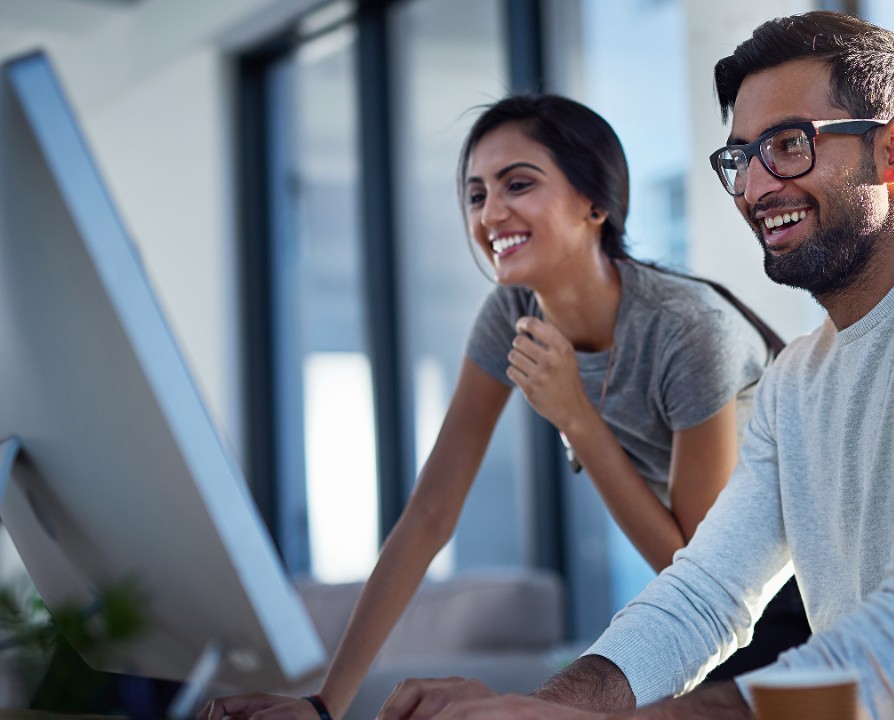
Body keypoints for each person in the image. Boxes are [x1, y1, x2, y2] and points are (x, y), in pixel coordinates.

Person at [371, 11, 894, 720]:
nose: (758, 184)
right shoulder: (798, 379)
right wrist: (536, 708)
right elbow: (704, 597)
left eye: (788, 147)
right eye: (741, 157)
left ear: (893, 150)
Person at [202, 94, 811, 720]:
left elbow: (696, 571)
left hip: (800, 593)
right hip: (702, 615)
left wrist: (576, 417)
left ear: (594, 204)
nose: (491, 213)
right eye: (475, 195)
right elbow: (432, 512)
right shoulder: (510, 314)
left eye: (517, 184)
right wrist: (326, 703)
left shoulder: (688, 329)